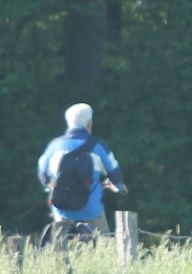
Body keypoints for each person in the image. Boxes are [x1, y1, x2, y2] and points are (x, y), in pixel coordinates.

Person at [36, 103, 126, 245]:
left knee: (59, 244)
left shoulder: (54, 146)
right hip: (91, 209)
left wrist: (51, 187)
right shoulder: (98, 146)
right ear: (90, 124)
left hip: (61, 208)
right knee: (106, 244)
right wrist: (119, 186)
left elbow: (42, 174)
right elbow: (115, 173)